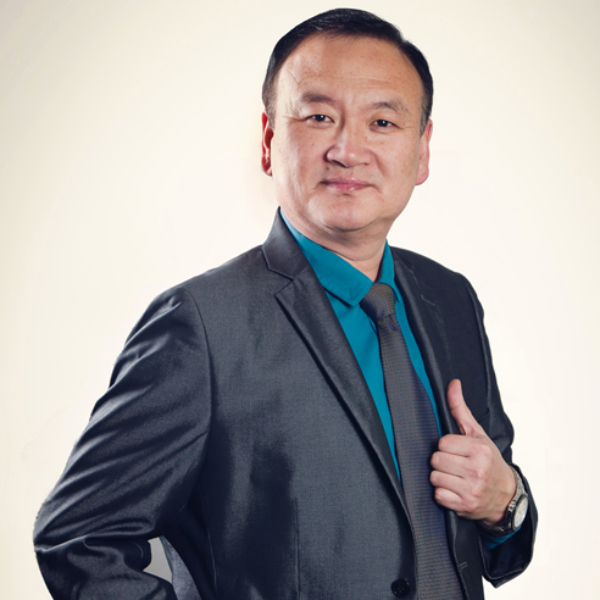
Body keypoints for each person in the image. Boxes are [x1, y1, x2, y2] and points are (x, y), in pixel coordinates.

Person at [34, 8, 536, 600]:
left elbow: (499, 537)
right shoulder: (201, 325)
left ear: (422, 150)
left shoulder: (449, 299)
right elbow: (79, 538)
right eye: (319, 116)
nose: (348, 150)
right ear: (270, 140)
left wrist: (506, 503)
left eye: (382, 122)